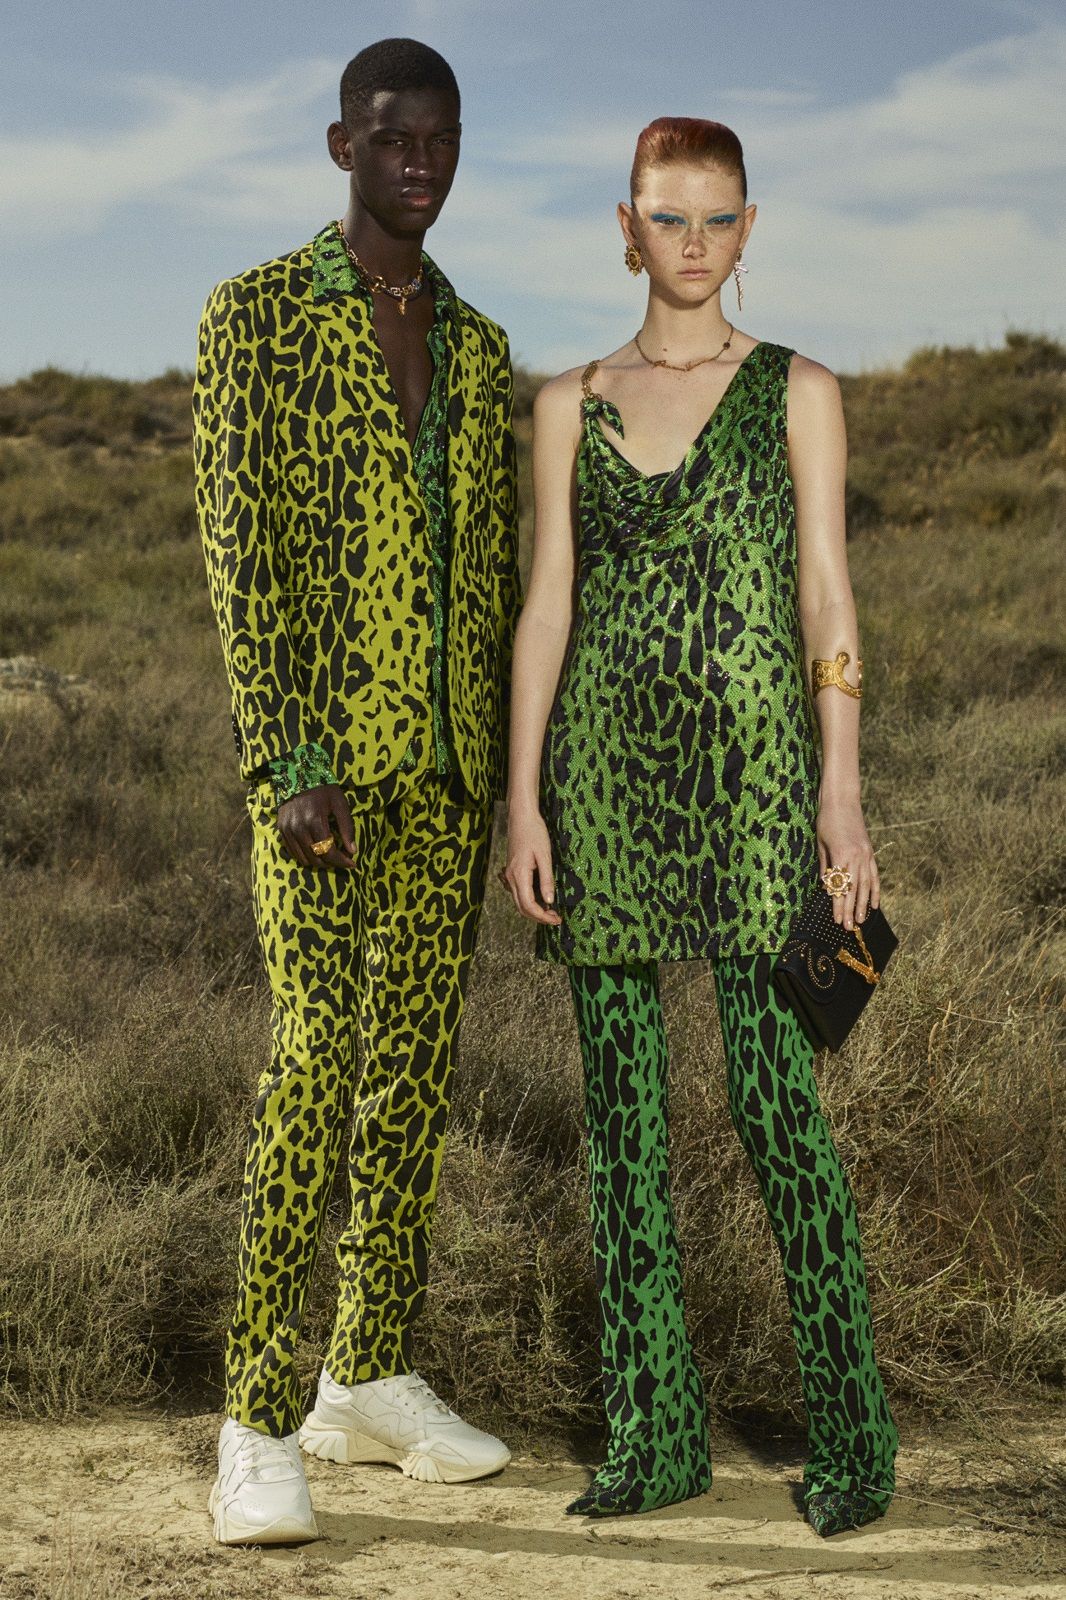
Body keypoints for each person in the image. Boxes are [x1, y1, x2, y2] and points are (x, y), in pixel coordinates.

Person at [502, 116, 899, 1536]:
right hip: (603, 780)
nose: (691, 243)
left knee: (775, 1107)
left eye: (716, 218)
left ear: (748, 228)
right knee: (622, 1124)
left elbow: (825, 591)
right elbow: (546, 602)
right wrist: (522, 796)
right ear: (627, 228)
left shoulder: (799, 389)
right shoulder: (569, 400)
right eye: (666, 218)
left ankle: (854, 1442)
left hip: (755, 784)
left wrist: (839, 794)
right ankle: (655, 1435)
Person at [194, 37, 520, 1545]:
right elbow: (240, 551)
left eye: (440, 140)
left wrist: (514, 781)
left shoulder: (477, 344)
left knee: (412, 1077)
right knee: (316, 1062)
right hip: (317, 782)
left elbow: (495, 574)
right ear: (343, 146)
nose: (420, 164)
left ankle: (367, 1372)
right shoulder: (255, 316)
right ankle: (257, 1420)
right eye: (394, 139)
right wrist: (290, 759)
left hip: (446, 775)